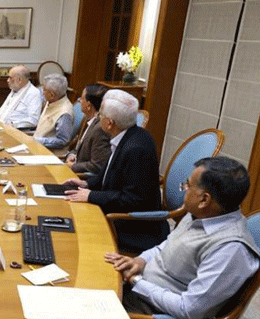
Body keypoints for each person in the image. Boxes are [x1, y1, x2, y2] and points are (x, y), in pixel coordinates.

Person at [105, 157, 260, 319]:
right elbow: (167, 246)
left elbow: (189, 310)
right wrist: (141, 260)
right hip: (139, 296)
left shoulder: (230, 250)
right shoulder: (202, 214)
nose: (184, 189)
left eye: (188, 185)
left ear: (205, 199)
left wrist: (136, 281)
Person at [62, 89, 168, 253]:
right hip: (115, 211)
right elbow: (108, 176)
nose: (98, 118)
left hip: (133, 227)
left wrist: (91, 195)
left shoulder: (136, 149)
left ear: (110, 123)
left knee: (71, 233)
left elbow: (133, 199)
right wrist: (86, 183)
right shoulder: (126, 135)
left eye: (101, 116)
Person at [66, 84, 111, 175]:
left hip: (81, 178)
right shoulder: (89, 120)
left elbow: (97, 165)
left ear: (89, 105)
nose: (79, 101)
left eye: (82, 99)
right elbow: (78, 147)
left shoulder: (100, 129)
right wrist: (71, 155)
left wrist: (73, 166)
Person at [0, 65, 42, 131]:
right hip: (0, 127)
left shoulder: (33, 93)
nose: (8, 80)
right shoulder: (15, 89)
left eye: (10, 78)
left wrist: (13, 124)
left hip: (15, 131)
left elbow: (33, 120)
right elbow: (5, 111)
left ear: (19, 80)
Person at [33, 74, 74, 149]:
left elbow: (62, 141)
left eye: (44, 90)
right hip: (36, 146)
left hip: (49, 153)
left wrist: (38, 141)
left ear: (52, 95)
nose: (43, 93)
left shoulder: (64, 113)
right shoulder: (52, 101)